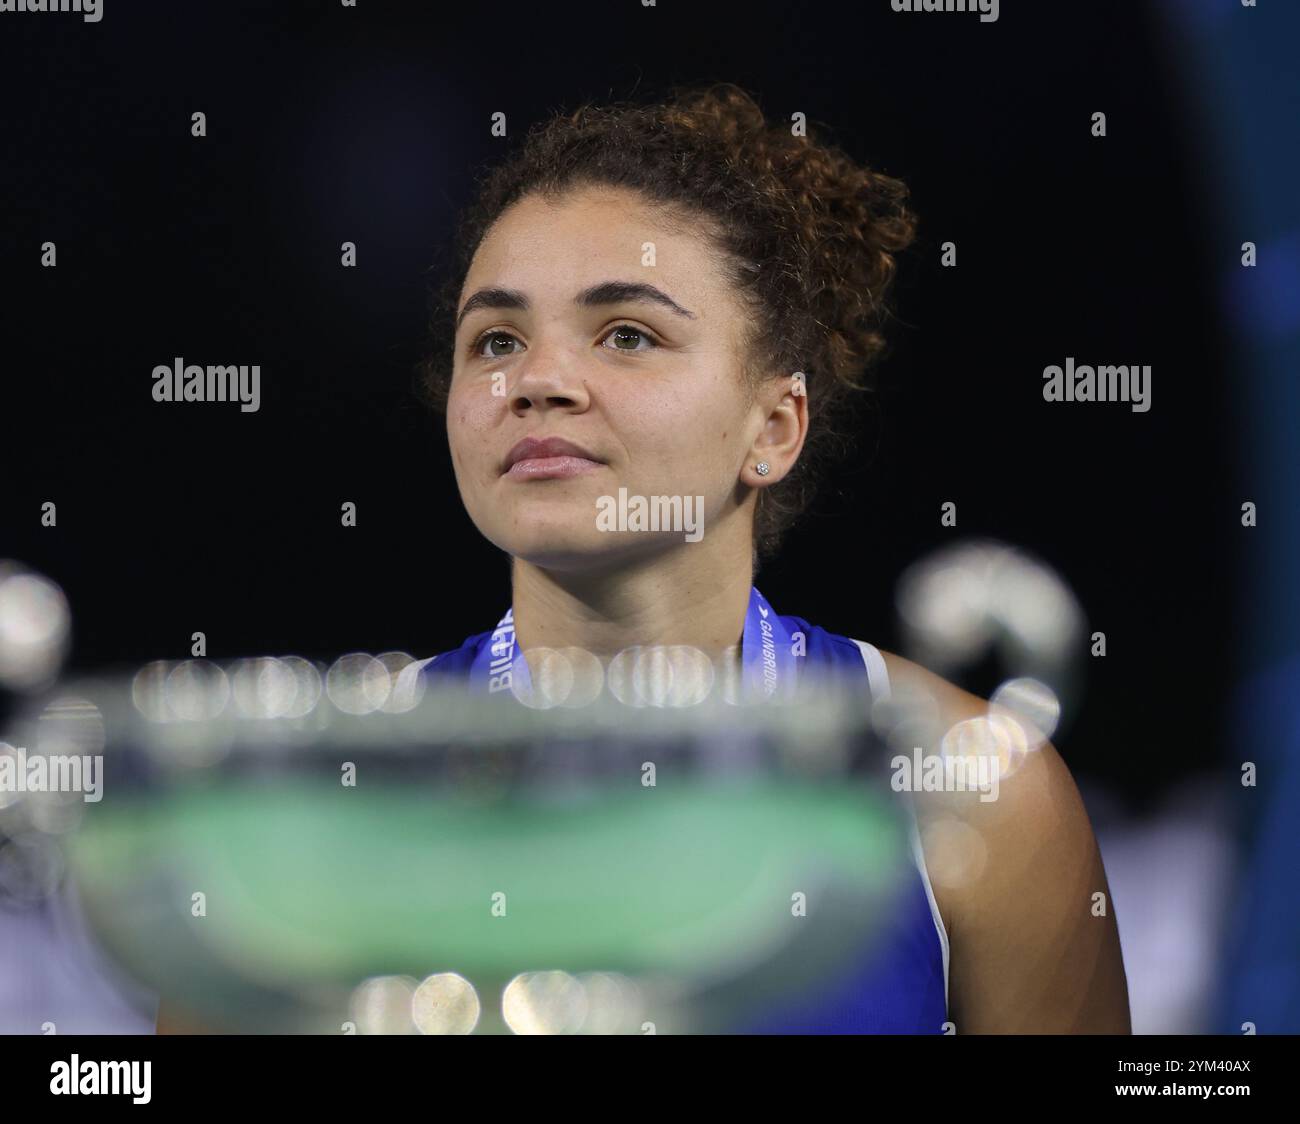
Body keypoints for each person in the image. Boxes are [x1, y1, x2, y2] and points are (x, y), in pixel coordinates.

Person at [160, 81, 1129, 1034]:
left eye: (627, 332)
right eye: (494, 339)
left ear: (775, 423)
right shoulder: (301, 816)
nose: (536, 379)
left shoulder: (973, 793)